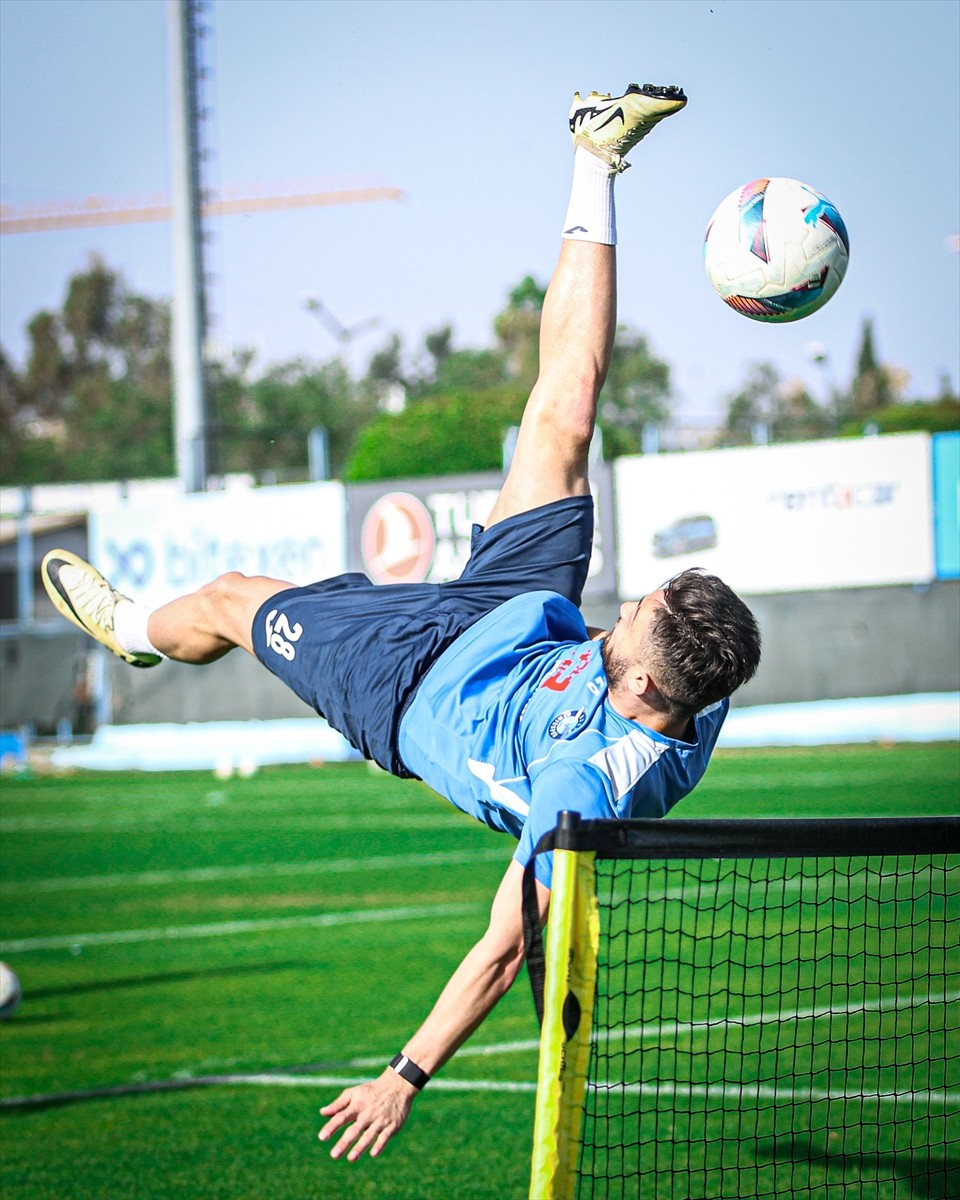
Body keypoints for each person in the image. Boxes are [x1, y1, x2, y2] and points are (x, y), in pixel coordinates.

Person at [41, 81, 761, 1163]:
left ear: (650, 690)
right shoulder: (691, 688)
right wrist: (599, 634)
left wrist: (404, 1073)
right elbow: (663, 646)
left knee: (233, 596)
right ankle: (597, 154)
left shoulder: (581, 792)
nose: (636, 601)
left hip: (404, 685)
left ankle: (138, 627)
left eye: (642, 619)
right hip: (515, 620)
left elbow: (500, 950)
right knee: (564, 411)